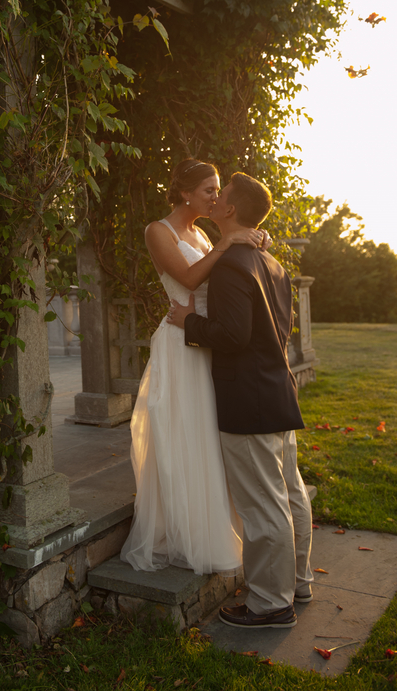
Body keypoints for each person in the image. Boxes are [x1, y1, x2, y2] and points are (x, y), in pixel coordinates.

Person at [167, 171, 313, 629]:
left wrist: (189, 322)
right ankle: (299, 581)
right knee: (289, 493)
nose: (214, 200)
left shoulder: (231, 264)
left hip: (248, 400)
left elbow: (232, 335)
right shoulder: (271, 261)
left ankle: (271, 604)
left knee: (263, 505)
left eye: (221, 195)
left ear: (230, 209)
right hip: (277, 391)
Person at [120, 160, 265, 576]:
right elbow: (187, 278)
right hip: (179, 344)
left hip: (205, 339)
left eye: (218, 190)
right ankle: (186, 533)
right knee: (184, 433)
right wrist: (228, 241)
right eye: (208, 190)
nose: (216, 198)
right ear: (185, 193)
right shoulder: (158, 231)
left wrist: (250, 240)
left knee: (206, 435)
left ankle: (213, 525)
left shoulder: (202, 234)